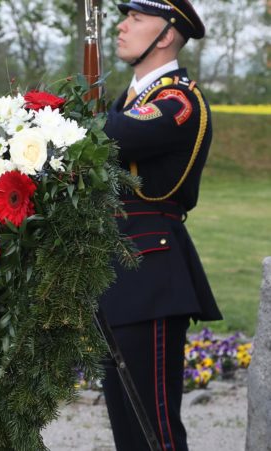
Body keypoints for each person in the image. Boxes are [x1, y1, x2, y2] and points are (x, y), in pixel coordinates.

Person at [99, 1, 222, 450]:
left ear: (167, 33)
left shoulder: (178, 100)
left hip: (149, 272)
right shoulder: (129, 99)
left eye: (135, 18)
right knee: (128, 428)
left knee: (153, 432)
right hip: (118, 268)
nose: (121, 26)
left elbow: (112, 136)